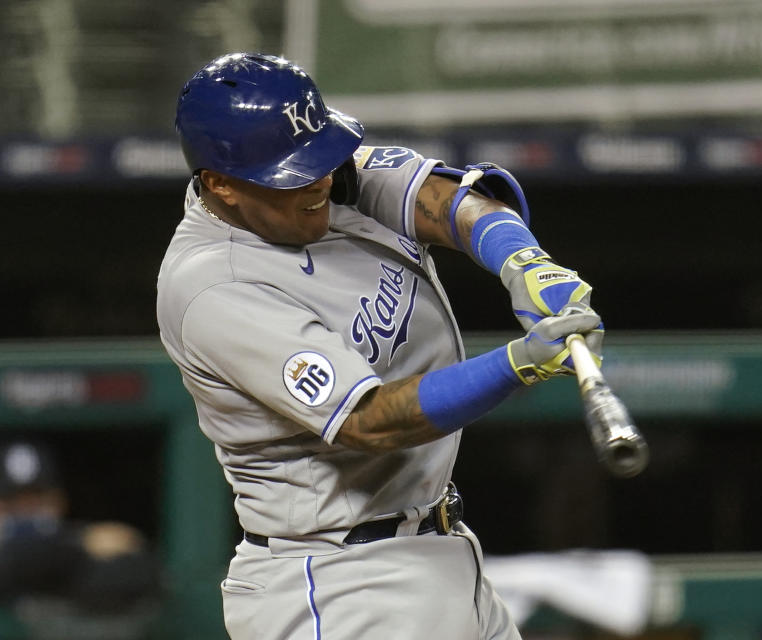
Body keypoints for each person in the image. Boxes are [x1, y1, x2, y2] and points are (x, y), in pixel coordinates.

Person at [157, 52, 603, 640]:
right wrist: (516, 365)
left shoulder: (321, 180)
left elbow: (443, 201)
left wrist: (523, 260)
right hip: (340, 582)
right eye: (293, 174)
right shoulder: (214, 286)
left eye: (318, 158)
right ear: (220, 184)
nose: (319, 180)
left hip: (439, 551)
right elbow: (369, 421)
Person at [0, 441, 161, 640]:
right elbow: (17, 562)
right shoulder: (84, 541)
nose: (25, 510)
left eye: (36, 498)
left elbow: (141, 574)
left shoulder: (86, 545)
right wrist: (79, 541)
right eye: (12, 502)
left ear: (59, 500)